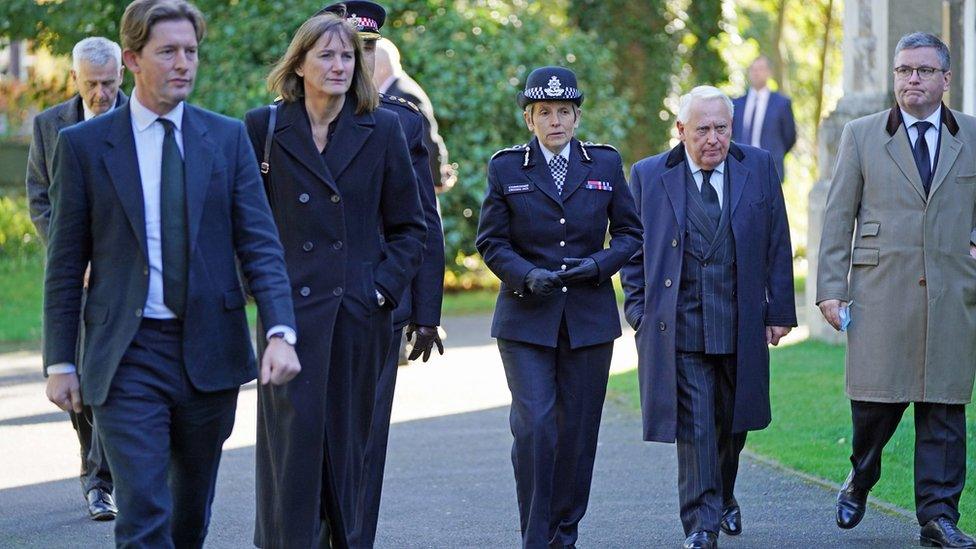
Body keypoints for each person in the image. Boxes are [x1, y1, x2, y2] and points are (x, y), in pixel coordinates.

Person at [42, 0, 301, 546]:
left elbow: (260, 243)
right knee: (143, 513)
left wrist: (280, 331)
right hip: (126, 354)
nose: (184, 62)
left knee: (188, 518)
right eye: (169, 52)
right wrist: (61, 361)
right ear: (133, 59)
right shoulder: (84, 146)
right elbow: (65, 263)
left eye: (191, 50)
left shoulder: (225, 138)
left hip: (208, 349)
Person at [244, 12, 426, 548]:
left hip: (357, 315)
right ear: (299, 64)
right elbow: (245, 224)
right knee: (290, 455)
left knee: (349, 452)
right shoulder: (265, 127)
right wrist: (259, 293)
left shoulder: (384, 127)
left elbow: (410, 226)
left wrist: (380, 289)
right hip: (288, 319)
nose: (339, 65)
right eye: (325, 55)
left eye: (347, 56)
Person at [817, 32, 976, 548]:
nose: (912, 79)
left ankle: (937, 517)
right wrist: (829, 288)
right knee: (875, 405)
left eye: (924, 71)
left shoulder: (973, 135)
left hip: (952, 292)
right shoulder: (862, 135)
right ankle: (861, 479)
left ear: (945, 80)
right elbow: (839, 215)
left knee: (944, 409)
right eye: (904, 70)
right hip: (880, 289)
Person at [620, 86, 796, 549]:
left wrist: (779, 311)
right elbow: (632, 251)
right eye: (702, 129)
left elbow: (778, 239)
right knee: (696, 426)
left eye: (722, 128)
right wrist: (639, 309)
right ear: (681, 131)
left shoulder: (757, 166)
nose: (714, 138)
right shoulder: (649, 175)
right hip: (680, 326)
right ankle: (701, 524)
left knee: (733, 425)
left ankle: (723, 492)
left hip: (741, 323)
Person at [476, 66, 642, 549]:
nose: (555, 121)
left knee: (577, 434)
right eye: (544, 112)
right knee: (535, 428)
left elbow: (630, 234)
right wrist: (526, 275)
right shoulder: (507, 168)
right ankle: (536, 535)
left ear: (576, 117)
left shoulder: (605, 165)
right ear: (530, 119)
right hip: (525, 318)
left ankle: (564, 533)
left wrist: (596, 265)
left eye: (564, 112)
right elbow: (491, 242)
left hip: (588, 320)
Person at [318, 2, 445, 547]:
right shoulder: (283, 119)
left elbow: (419, 221)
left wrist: (424, 310)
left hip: (375, 304)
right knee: (310, 440)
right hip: (309, 306)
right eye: (347, 48)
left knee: (365, 443)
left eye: (367, 49)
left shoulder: (401, 120)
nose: (357, 60)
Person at [25, 36, 126, 522]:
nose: (101, 93)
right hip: (75, 279)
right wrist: (72, 257)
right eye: (91, 84)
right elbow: (40, 198)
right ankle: (95, 470)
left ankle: (101, 481)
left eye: (109, 83)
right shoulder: (49, 127)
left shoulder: (142, 120)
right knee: (78, 383)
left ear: (123, 75)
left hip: (125, 279)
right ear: (74, 80)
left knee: (114, 378)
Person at [372, 37, 455, 193]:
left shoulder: (404, 95)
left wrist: (436, 181)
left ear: (381, 68)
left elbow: (426, 143)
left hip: (418, 192)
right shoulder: (396, 90)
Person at [731, 56, 796, 181]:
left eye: (761, 69)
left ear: (769, 73)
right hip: (740, 169)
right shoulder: (736, 104)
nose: (756, 72)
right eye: (753, 69)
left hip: (771, 169)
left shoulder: (782, 103)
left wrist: (776, 154)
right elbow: (731, 134)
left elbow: (790, 137)